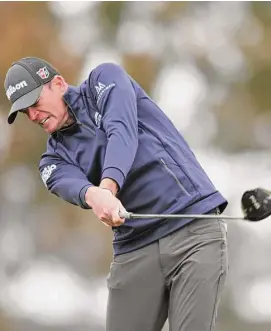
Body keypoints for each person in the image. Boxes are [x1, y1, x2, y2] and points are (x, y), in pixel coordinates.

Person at [4, 57, 229, 331]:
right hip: (134, 248)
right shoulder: (52, 160)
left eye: (35, 104)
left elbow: (121, 129)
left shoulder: (104, 79)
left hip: (193, 228)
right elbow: (78, 189)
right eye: (26, 112)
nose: (34, 116)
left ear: (59, 84)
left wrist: (108, 187)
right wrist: (97, 197)